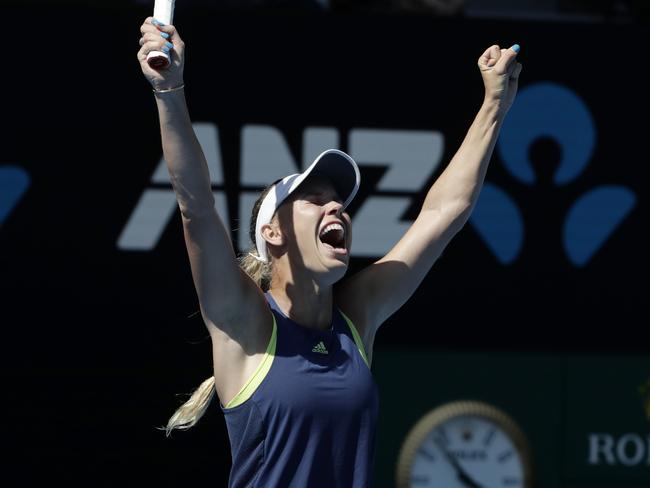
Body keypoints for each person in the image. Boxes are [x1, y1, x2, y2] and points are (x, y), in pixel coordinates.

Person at [137, 15, 522, 488]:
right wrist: (169, 91)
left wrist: (495, 104)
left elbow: (444, 214)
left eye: (339, 200)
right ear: (272, 234)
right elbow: (195, 204)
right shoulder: (244, 322)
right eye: (315, 201)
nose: (336, 206)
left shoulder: (355, 320)